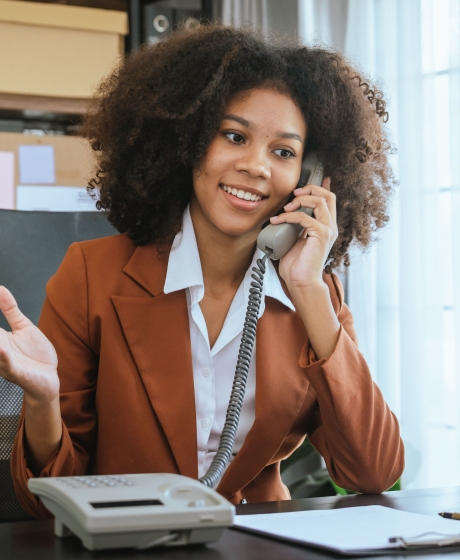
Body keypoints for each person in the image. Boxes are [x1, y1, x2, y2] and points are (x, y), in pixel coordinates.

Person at [0, 25, 404, 518]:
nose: (256, 166)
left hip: (260, 549)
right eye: (234, 136)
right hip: (128, 547)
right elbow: (46, 502)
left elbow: (374, 473)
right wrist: (42, 402)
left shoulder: (316, 297)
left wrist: (309, 291)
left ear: (310, 176)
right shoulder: (92, 276)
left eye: (283, 152)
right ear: (187, 142)